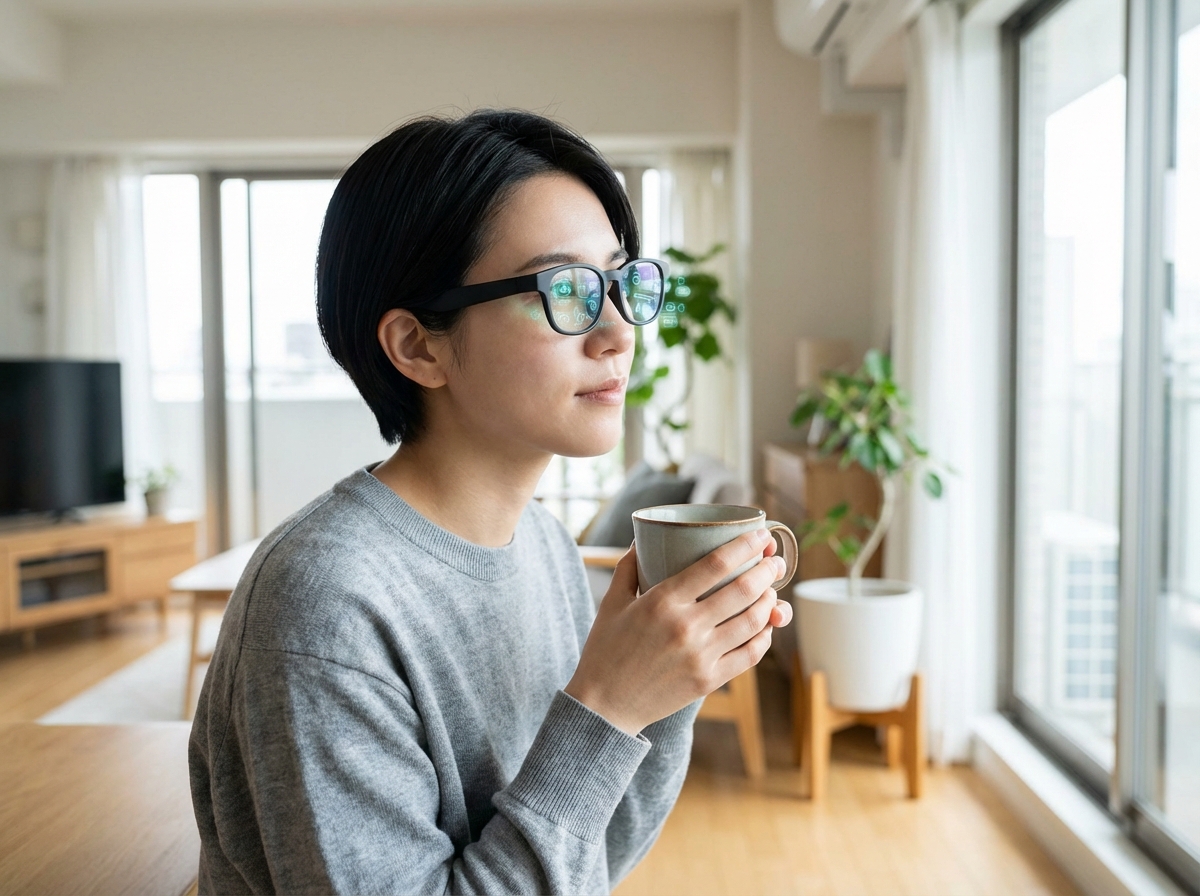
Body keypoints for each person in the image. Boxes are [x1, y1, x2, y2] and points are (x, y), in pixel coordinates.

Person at [188, 108, 793, 895]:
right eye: (565, 289)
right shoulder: (325, 607)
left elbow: (586, 859)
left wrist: (672, 681)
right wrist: (607, 708)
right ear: (419, 345)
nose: (616, 332)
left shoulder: (540, 542)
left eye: (618, 280)